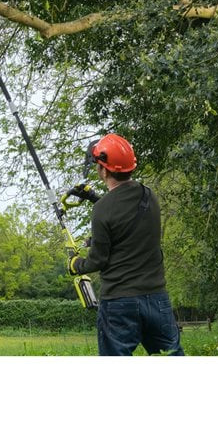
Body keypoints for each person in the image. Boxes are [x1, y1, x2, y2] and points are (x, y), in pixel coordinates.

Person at [68, 134, 184, 356]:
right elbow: (124, 216)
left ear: (103, 170)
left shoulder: (102, 210)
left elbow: (97, 260)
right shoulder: (148, 196)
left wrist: (76, 265)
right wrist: (94, 197)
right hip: (156, 298)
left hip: (119, 302)